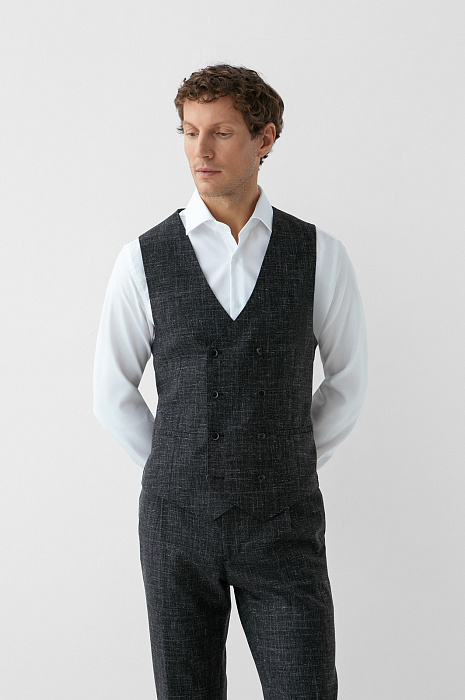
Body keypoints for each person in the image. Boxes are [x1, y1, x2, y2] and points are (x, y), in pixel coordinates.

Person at [93, 63, 367, 700]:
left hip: (284, 524)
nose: (201, 151)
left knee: (305, 687)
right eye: (189, 132)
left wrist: (286, 462)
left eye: (220, 132)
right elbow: (112, 392)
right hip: (176, 529)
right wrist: (179, 468)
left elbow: (348, 383)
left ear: (264, 139)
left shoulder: (320, 254)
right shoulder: (143, 258)